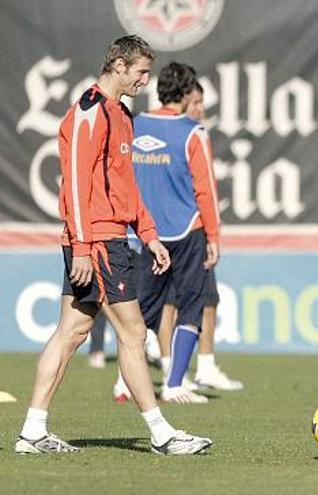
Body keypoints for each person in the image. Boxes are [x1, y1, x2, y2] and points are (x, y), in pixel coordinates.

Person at [14, 35, 212, 455]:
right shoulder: (89, 111)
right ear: (118, 65)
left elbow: (125, 185)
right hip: (98, 240)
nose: (145, 80)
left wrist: (149, 234)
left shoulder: (122, 114)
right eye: (140, 71)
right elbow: (77, 183)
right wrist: (83, 246)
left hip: (109, 237)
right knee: (134, 331)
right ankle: (162, 434)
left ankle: (32, 431)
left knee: (72, 331)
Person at [127, 62, 221, 404]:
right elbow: (205, 189)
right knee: (191, 306)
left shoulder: (135, 125)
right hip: (186, 231)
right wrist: (213, 236)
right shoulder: (193, 132)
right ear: (185, 95)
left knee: (142, 311)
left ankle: (125, 382)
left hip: (144, 235)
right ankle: (175, 383)